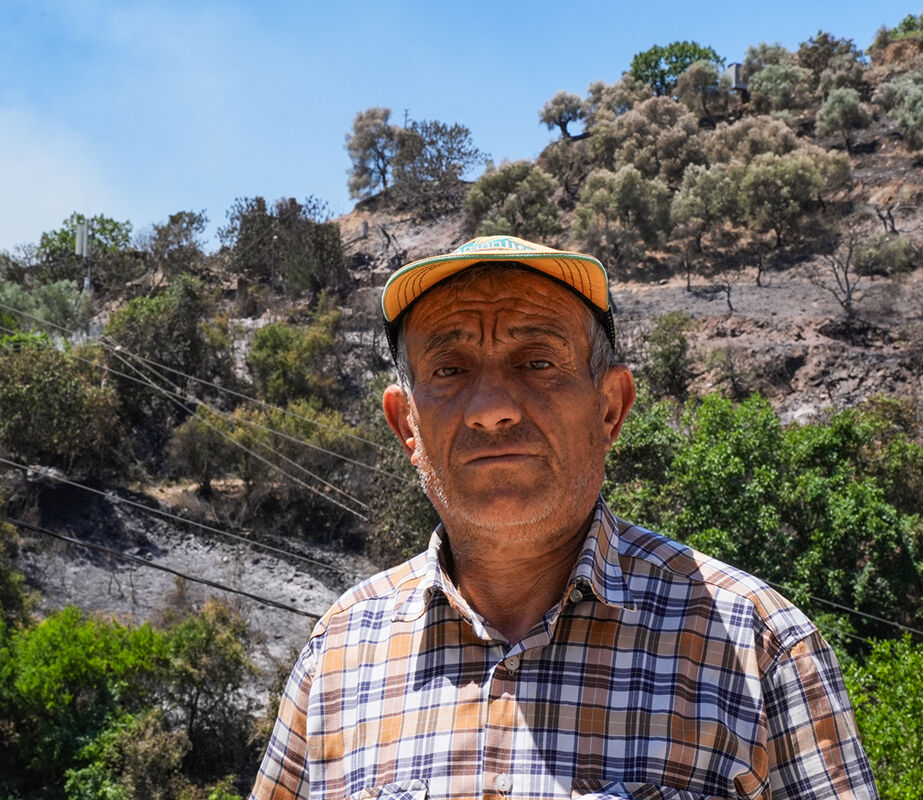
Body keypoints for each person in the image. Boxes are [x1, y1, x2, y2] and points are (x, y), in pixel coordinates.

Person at [250, 235, 879, 800]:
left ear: (610, 408)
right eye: (449, 369)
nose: (492, 407)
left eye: (537, 362)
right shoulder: (338, 655)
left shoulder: (758, 647)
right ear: (406, 426)